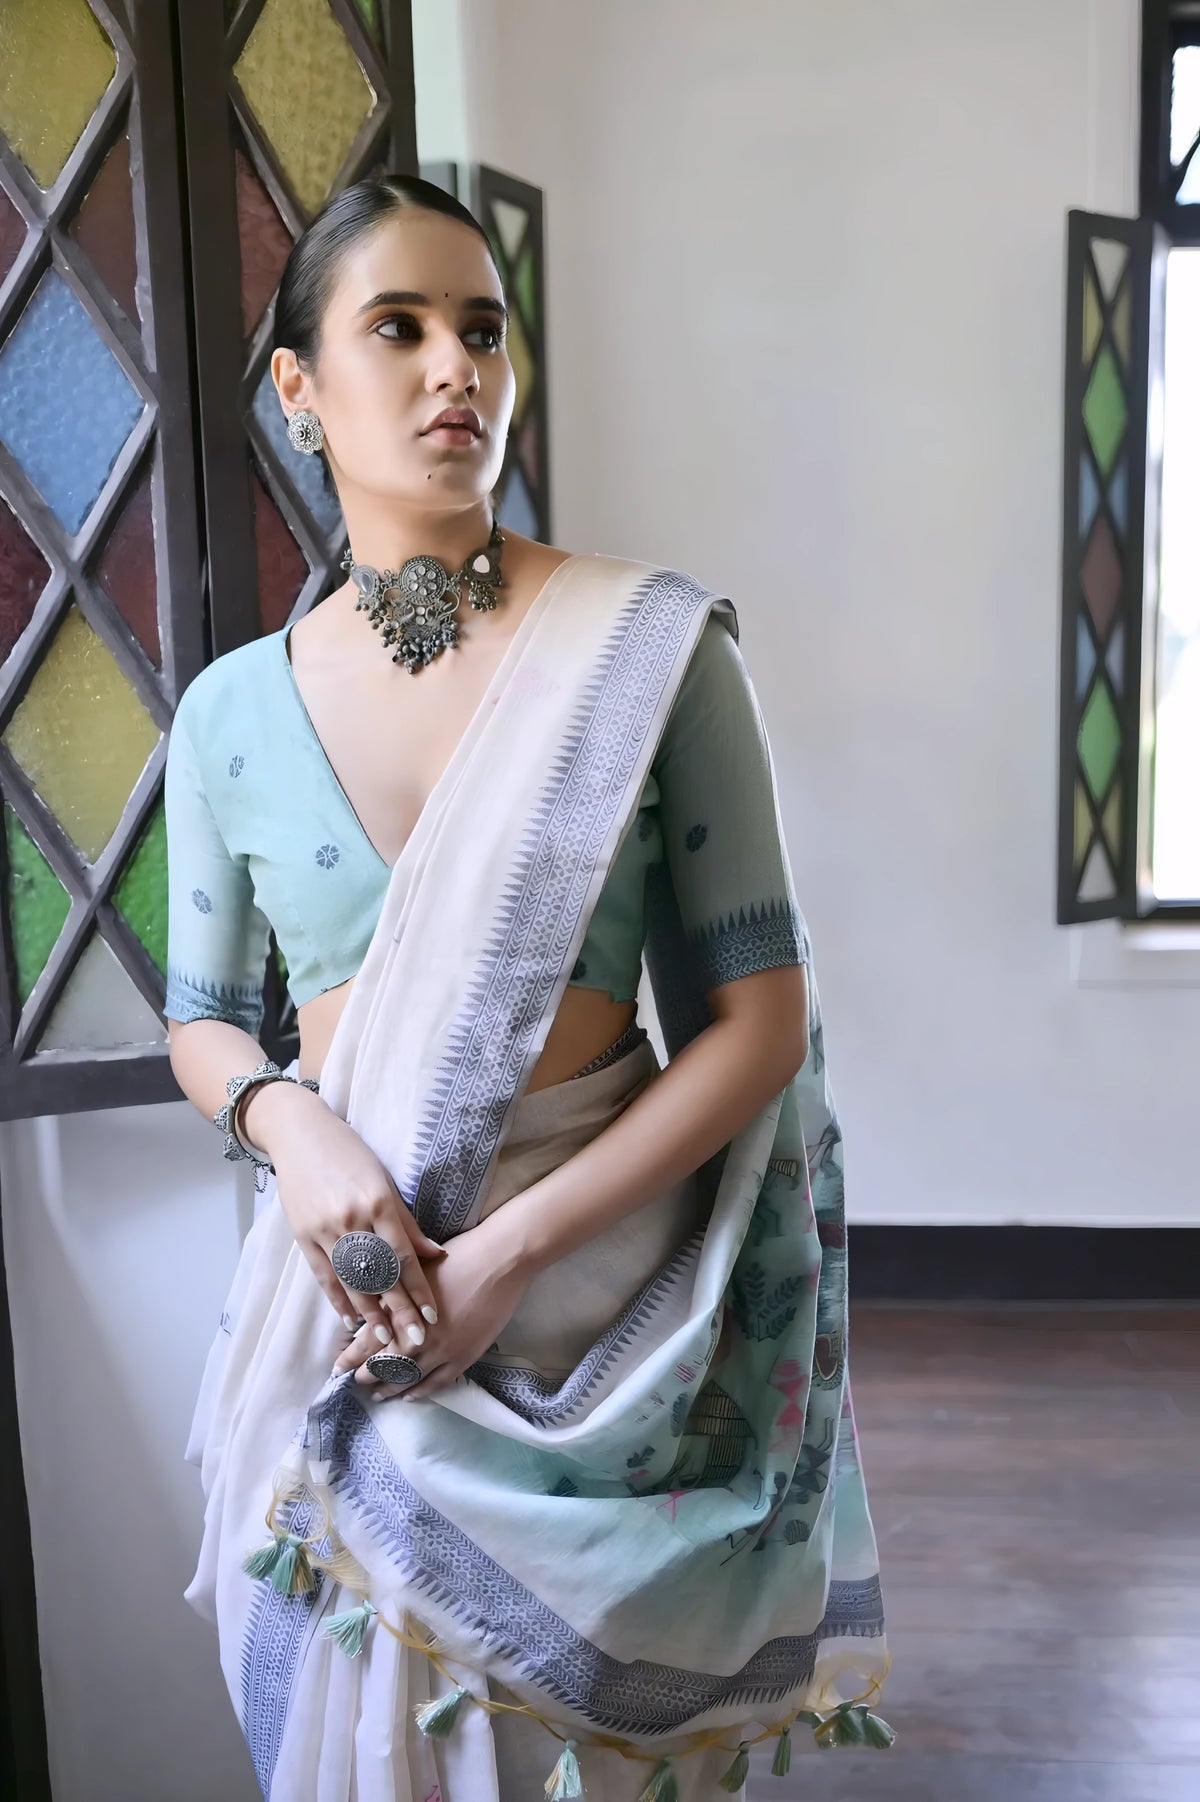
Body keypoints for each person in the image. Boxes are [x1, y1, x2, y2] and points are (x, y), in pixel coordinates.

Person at [167, 173, 892, 1801]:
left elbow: (758, 1024)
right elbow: (200, 1015)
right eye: (399, 328)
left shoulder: (649, 652)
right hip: (346, 1291)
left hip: (595, 1305)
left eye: (482, 331)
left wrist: (498, 1258)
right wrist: (298, 1128)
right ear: (299, 388)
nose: (455, 372)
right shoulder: (226, 714)